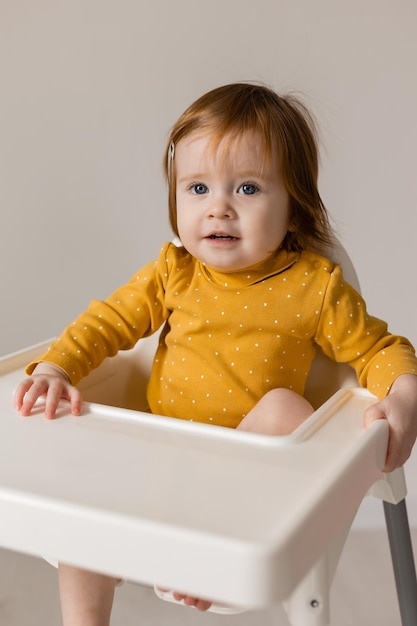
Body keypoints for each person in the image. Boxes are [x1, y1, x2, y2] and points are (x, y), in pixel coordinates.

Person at [15, 82, 417, 624]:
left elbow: (378, 348)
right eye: (198, 188)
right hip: (161, 469)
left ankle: (204, 558)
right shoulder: (173, 272)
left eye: (248, 189)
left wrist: (405, 391)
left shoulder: (314, 287)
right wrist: (58, 367)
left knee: (284, 409)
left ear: (295, 209)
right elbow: (107, 322)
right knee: (82, 499)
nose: (219, 208)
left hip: (247, 496)